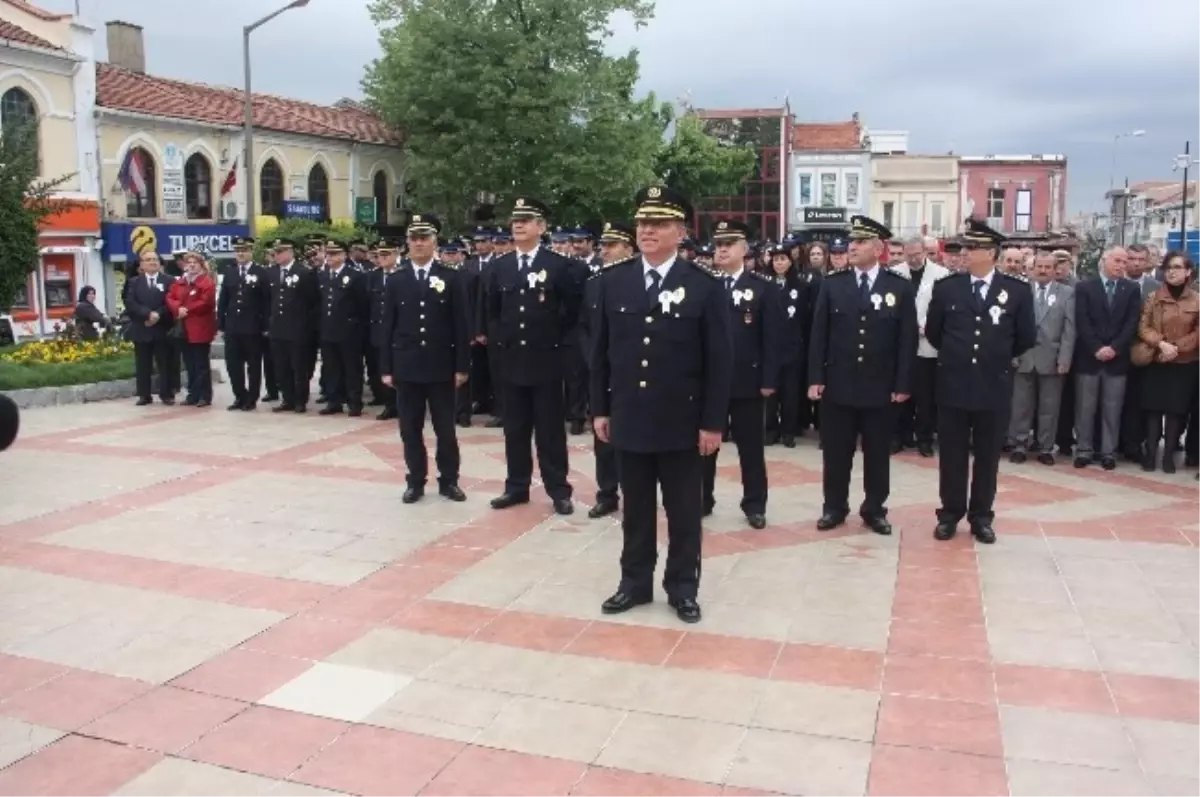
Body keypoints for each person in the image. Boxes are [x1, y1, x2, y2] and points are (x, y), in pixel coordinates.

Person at [591, 185, 733, 623]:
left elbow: (719, 361)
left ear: (680, 231)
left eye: (659, 223)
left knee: (684, 511)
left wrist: (712, 423)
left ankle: (682, 588)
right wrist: (600, 408)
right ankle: (633, 584)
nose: (647, 230)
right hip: (630, 417)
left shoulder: (704, 287)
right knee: (635, 510)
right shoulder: (612, 282)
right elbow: (600, 354)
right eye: (642, 222)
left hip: (681, 421)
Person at [926, 219, 1036, 544]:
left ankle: (981, 517)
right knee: (952, 455)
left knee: (987, 456)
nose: (965, 253)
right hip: (953, 384)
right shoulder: (948, 288)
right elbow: (935, 332)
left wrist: (994, 357)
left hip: (993, 385)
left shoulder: (1016, 291)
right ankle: (950, 514)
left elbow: (1025, 337)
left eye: (972, 248)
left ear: (990, 252)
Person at [808, 215, 916, 536]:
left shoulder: (899, 287)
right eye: (852, 242)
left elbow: (906, 340)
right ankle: (834, 507)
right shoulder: (833, 284)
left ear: (879, 248)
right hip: (839, 384)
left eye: (860, 242)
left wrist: (902, 384)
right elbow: (819, 336)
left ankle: (874, 509)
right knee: (836, 453)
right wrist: (815, 377)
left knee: (877, 454)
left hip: (880, 387)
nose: (852, 247)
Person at [482, 197, 583, 515]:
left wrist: (560, 352)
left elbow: (571, 314)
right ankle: (516, 487)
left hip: (547, 361)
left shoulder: (559, 266)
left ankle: (558, 489)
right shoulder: (499, 267)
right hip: (511, 361)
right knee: (515, 428)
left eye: (526, 220)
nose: (519, 225)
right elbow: (493, 314)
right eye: (516, 220)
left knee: (550, 431)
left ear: (541, 227)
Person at [380, 214, 471, 502]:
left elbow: (461, 324)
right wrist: (385, 367)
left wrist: (462, 366)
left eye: (425, 238)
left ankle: (449, 481)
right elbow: (387, 327)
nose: (419, 243)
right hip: (406, 366)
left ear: (435, 242)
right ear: (407, 243)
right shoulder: (396, 279)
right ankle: (415, 481)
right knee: (410, 429)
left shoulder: (451, 277)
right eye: (414, 238)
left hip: (441, 366)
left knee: (445, 430)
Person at [701, 220, 784, 530]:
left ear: (744, 249)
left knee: (751, 448)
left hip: (747, 382)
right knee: (705, 445)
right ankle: (702, 498)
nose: (721, 249)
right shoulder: (703, 284)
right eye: (718, 243)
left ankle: (754, 504)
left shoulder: (762, 288)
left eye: (729, 243)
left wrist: (768, 380)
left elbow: (773, 339)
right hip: (708, 383)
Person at [581, 221, 634, 520]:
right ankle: (607, 493)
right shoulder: (594, 282)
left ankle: (635, 491)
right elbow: (585, 326)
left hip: (631, 368)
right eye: (604, 245)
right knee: (603, 434)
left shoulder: (638, 280)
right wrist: (592, 357)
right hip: (602, 369)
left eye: (612, 246)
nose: (605, 251)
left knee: (633, 435)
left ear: (628, 248)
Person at [1072, 247, 1140, 470]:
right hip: (1089, 357)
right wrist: (1096, 348)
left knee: (1112, 408)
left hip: (1117, 360)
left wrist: (1114, 348)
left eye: (1124, 261)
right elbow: (1082, 320)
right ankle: (1084, 450)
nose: (1121, 265)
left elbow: (1131, 323)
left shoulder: (1131, 289)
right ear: (1104, 261)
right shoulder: (1084, 287)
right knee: (1085, 407)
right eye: (1117, 260)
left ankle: (1108, 452)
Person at [1008, 250, 1075, 465]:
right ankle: (1018, 444)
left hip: (1052, 358)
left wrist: (1064, 358)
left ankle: (1046, 447)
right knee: (1020, 405)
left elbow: (1069, 329)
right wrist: (1013, 353)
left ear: (1056, 270)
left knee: (1050, 407)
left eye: (1048, 267)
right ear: (1032, 268)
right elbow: (1011, 326)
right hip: (1024, 357)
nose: (1043, 271)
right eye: (1040, 267)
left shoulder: (1067, 293)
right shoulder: (1021, 291)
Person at [1135, 252, 1199, 473]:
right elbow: (1143, 326)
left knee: (1175, 410)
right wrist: (1161, 344)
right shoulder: (1154, 297)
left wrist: (1176, 348)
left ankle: (1169, 455)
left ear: (1188, 272)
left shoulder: (1197, 299)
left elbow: (1198, 332)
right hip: (1157, 359)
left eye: (1177, 267)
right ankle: (1151, 453)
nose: (1172, 271)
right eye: (1168, 267)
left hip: (1184, 362)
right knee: (1153, 409)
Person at [899, 235, 951, 457]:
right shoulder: (895, 272)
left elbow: (942, 309)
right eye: (909, 255)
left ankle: (924, 439)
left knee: (926, 396)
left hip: (927, 343)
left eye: (917, 255)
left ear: (925, 252)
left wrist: (926, 327)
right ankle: (900, 435)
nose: (913, 259)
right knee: (901, 392)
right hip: (900, 344)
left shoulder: (941, 275)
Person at [266, 238, 320, 414]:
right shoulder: (272, 273)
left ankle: (300, 400)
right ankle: (287, 399)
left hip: (298, 328)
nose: (277, 255)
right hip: (278, 328)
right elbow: (268, 300)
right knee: (281, 367)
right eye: (276, 252)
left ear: (290, 253)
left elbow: (313, 302)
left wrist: (308, 326)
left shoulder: (304, 273)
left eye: (281, 252)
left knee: (299, 367)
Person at [764, 242, 809, 448]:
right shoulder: (764, 283)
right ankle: (770, 429)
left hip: (792, 346)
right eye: (775, 259)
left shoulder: (800, 285)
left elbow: (805, 317)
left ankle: (788, 431)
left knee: (791, 392)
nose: (779, 263)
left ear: (790, 262)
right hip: (770, 347)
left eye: (783, 259)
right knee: (771, 391)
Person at [317, 241, 369, 417]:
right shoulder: (323, 275)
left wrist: (357, 328)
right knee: (331, 367)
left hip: (349, 330)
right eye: (328, 254)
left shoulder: (355, 276)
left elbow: (363, 305)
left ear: (344, 256)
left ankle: (354, 402)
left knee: (352, 368)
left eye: (334, 254)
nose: (330, 257)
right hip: (328, 329)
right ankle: (334, 401)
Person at [218, 237, 270, 411]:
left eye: (244, 250)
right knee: (233, 365)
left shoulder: (261, 272)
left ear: (251, 251)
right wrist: (221, 324)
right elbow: (223, 300)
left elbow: (266, 301)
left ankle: (252, 398)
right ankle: (239, 395)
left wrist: (265, 326)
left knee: (254, 365)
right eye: (238, 250)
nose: (240, 253)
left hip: (253, 327)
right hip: (233, 326)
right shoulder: (230, 272)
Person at [166, 250, 218, 407]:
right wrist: (177, 309)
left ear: (201, 265)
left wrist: (187, 309)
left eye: (195, 263)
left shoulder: (206, 282)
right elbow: (170, 297)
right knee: (189, 363)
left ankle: (204, 395)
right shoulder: (181, 282)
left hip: (200, 328)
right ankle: (192, 394)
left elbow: (206, 302)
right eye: (189, 263)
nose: (191, 265)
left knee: (201, 363)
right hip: (184, 329)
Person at [124, 249, 177, 406]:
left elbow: (171, 302)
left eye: (155, 259)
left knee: (165, 363)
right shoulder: (134, 282)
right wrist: (147, 315)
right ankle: (144, 395)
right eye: (148, 260)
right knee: (143, 364)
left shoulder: (169, 281)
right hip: (142, 328)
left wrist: (158, 315)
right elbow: (130, 302)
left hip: (163, 328)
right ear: (142, 264)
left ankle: (167, 394)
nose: (153, 262)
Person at [368, 238, 401, 421]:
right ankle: (389, 405)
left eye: (386, 254)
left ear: (396, 254)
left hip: (399, 331)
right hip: (379, 329)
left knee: (399, 369)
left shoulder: (403, 274)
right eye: (379, 255)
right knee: (383, 368)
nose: (382, 258)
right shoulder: (373, 276)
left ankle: (401, 404)